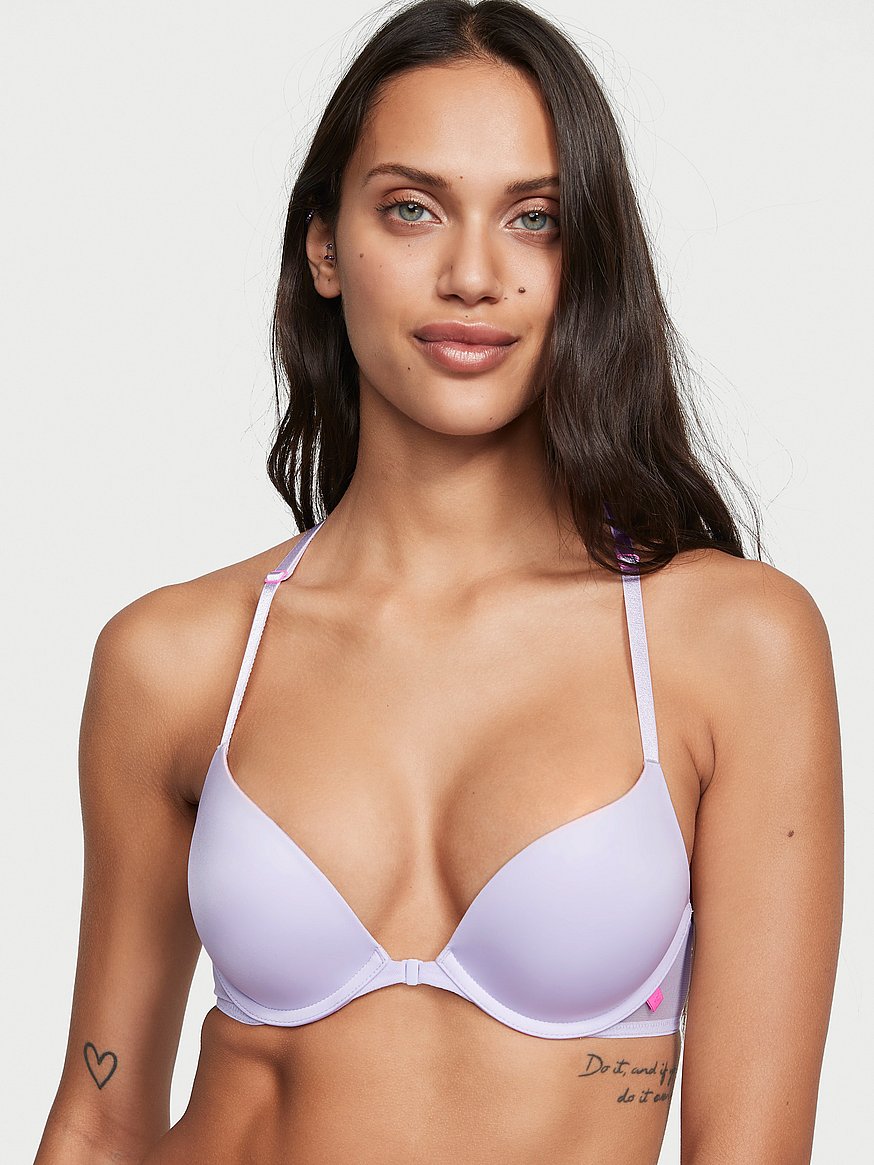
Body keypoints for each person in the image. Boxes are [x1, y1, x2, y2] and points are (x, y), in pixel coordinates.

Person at [35, 2, 843, 1162]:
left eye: (534, 218)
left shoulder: (728, 643)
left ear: (586, 259)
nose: (473, 275)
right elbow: (99, 1117)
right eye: (412, 209)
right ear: (324, 247)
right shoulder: (178, 657)